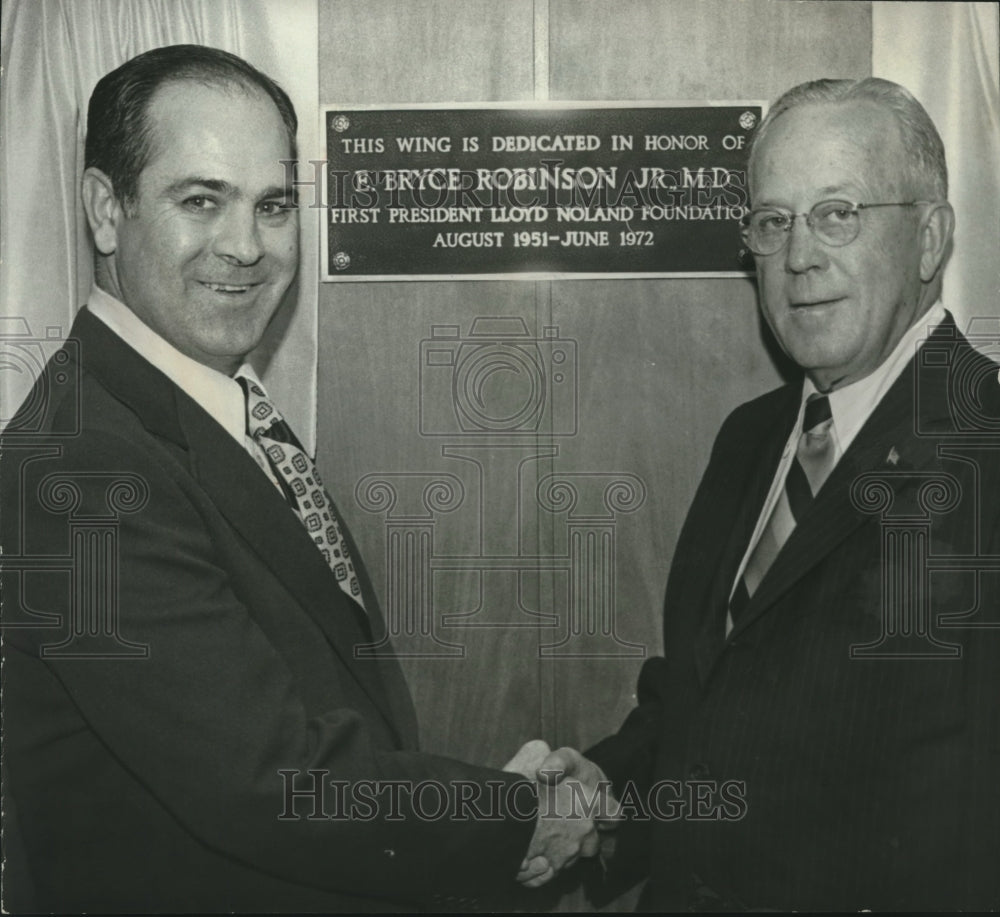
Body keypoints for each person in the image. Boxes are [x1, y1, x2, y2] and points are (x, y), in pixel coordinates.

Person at [0, 44, 604, 913]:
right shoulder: (85, 462)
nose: (245, 247)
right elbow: (267, 779)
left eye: (273, 205)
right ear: (105, 210)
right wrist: (514, 816)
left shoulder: (212, 409)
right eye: (201, 200)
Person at [534, 78, 1000, 910]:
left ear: (929, 240)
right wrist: (605, 790)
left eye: (838, 213)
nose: (798, 256)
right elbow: (712, 701)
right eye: (773, 221)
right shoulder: (752, 437)